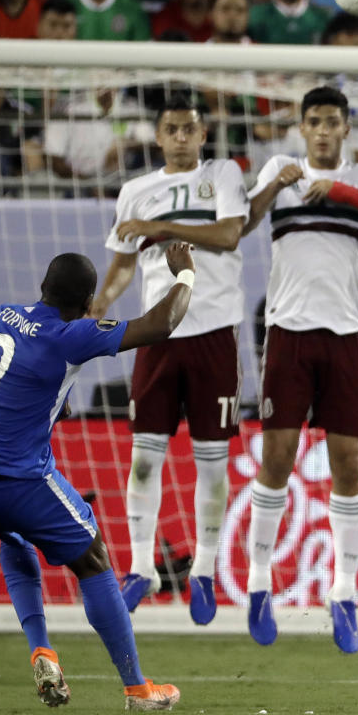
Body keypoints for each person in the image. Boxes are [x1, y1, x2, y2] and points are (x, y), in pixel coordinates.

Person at [0, 247, 195, 710]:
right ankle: (138, 688)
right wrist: (187, 276)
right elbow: (160, 326)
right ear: (87, 304)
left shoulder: (0, 314)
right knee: (94, 557)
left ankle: (41, 648)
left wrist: (27, 393)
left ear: (42, 288)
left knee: (13, 536)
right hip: (14, 481)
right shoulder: (69, 336)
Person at [243, 86, 358, 653]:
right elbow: (240, 225)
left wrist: (349, 193)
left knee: (349, 464)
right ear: (301, 126)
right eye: (314, 121)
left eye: (332, 122)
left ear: (347, 129)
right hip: (289, 336)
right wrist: (275, 184)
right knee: (277, 457)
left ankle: (344, 594)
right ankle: (257, 584)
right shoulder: (280, 168)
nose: (323, 130)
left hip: (347, 339)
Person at [91, 94, 249, 626]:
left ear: (203, 136)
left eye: (190, 128)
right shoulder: (136, 191)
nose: (181, 136)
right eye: (172, 129)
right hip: (158, 335)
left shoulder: (224, 174)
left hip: (214, 335)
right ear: (158, 137)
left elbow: (229, 235)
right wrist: (102, 303)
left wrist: (164, 230)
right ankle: (141, 568)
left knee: (212, 462)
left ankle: (203, 569)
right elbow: (121, 265)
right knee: (144, 458)